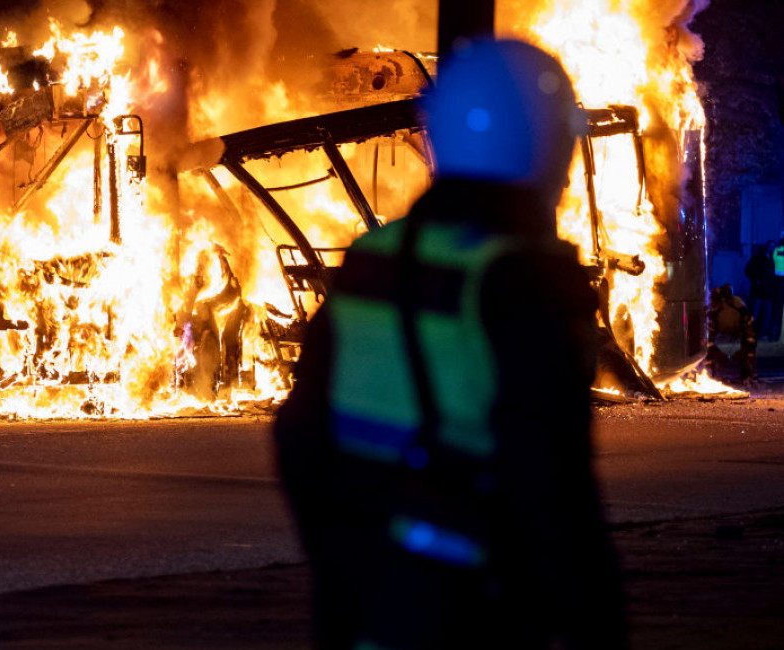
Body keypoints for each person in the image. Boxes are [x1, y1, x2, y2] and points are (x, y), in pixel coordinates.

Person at [274, 39, 627, 650]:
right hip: (478, 614)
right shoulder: (528, 279)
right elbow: (553, 485)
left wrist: (342, 564)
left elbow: (298, 438)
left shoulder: (373, 258)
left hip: (364, 608)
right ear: (545, 145)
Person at [706, 283, 757, 383]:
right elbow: (707, 335)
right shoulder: (713, 310)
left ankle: (748, 375)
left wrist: (743, 350)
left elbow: (751, 331)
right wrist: (716, 352)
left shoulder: (739, 306)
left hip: (739, 333)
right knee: (708, 353)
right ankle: (710, 374)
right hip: (719, 333)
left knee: (749, 352)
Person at [745, 243, 775, 340]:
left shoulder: (771, 260)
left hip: (767, 292)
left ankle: (762, 333)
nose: (772, 248)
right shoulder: (757, 259)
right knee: (755, 313)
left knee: (766, 314)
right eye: (771, 246)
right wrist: (756, 280)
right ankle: (750, 332)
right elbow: (748, 271)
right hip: (759, 292)